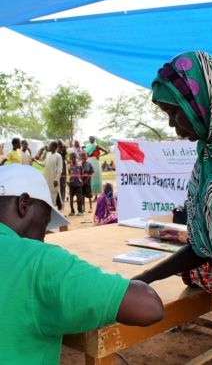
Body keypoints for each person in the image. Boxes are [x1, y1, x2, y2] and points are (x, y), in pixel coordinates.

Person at [134, 51, 212, 361]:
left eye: (174, 112)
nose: (172, 125)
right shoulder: (209, 158)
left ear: (202, 102)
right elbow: (203, 245)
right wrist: (141, 281)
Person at [0, 164, 164, 364]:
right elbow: (149, 307)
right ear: (23, 204)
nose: (44, 236)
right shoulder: (39, 261)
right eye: (45, 221)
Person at [36, 141, 63, 207]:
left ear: (54, 147)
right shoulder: (48, 154)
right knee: (48, 193)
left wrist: (56, 179)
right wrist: (36, 161)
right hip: (47, 178)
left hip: (53, 179)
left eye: (50, 146)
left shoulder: (58, 156)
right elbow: (44, 164)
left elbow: (60, 169)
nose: (49, 147)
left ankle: (56, 207)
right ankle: (50, 206)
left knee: (55, 193)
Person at [85, 136, 108, 201]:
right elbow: (86, 154)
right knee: (90, 178)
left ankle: (96, 196)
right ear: (89, 140)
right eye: (90, 139)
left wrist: (99, 156)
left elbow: (106, 152)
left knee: (96, 178)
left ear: (94, 140)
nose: (91, 140)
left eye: (92, 139)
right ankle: (90, 194)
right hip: (89, 162)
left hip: (95, 162)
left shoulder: (96, 146)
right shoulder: (87, 146)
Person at [68, 152, 83, 216]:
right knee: (71, 199)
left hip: (78, 184)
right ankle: (72, 211)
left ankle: (80, 211)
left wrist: (81, 180)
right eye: (72, 157)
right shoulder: (69, 166)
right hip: (71, 184)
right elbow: (69, 174)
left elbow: (81, 173)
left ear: (76, 157)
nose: (73, 158)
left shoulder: (79, 165)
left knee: (79, 198)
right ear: (70, 158)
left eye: (74, 157)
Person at [57, 139, 67, 208]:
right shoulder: (56, 151)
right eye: (58, 144)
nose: (59, 145)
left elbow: (65, 150)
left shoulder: (63, 151)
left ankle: (62, 200)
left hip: (63, 169)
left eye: (60, 144)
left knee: (63, 185)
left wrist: (63, 145)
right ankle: (59, 201)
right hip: (57, 169)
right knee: (58, 185)